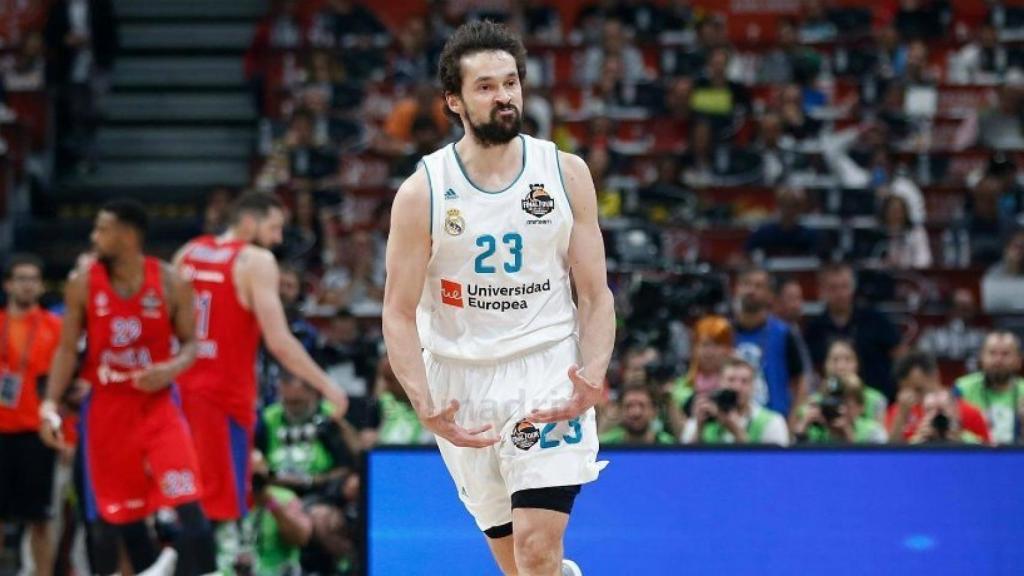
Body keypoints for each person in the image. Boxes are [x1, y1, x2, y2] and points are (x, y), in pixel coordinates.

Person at [382, 21, 615, 576]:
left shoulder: (564, 173)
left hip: (546, 370)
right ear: (454, 101)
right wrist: (422, 399)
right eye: (486, 86)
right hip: (461, 379)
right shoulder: (422, 192)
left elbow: (596, 293)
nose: (504, 95)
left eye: (510, 82)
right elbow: (396, 311)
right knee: (519, 567)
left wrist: (595, 368)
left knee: (536, 551)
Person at [38, 200, 217, 576]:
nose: (94, 237)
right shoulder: (83, 283)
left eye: (102, 229)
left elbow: (191, 345)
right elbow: (68, 349)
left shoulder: (170, 281)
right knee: (110, 523)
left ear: (128, 235)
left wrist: (171, 368)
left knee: (190, 509)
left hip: (158, 409)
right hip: (108, 412)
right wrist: (49, 404)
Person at [173, 192, 349, 568]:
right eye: (273, 228)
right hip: (221, 399)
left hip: (180, 394)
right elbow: (280, 341)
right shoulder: (255, 259)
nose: (277, 239)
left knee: (189, 500)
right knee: (217, 510)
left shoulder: (189, 252)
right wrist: (326, 385)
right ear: (249, 222)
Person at [0, 254, 63, 576]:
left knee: (40, 519)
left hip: (36, 433)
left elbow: (67, 381)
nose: (27, 285)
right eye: (21, 278)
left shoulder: (56, 326)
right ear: (8, 284)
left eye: (33, 279)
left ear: (40, 286)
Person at [805, 263, 903, 400]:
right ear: (822, 291)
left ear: (853, 287)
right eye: (833, 288)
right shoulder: (814, 329)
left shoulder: (876, 320)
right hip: (833, 400)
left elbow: (900, 356)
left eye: (844, 286)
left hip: (878, 399)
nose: (840, 293)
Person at [731, 266, 806, 419]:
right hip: (732, 419)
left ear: (770, 295)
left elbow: (800, 382)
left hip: (775, 422)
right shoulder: (724, 332)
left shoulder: (784, 333)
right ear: (737, 289)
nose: (751, 290)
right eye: (746, 284)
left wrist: (792, 425)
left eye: (758, 286)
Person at [886, 351, 991, 444]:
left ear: (935, 376)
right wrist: (915, 441)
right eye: (906, 391)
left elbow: (990, 456)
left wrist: (962, 440)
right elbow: (886, 458)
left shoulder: (968, 413)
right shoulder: (897, 413)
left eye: (918, 389)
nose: (912, 397)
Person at [682, 356, 790, 446]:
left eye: (744, 381)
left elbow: (774, 466)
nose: (737, 387)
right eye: (731, 380)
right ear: (719, 383)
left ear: (753, 387)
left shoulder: (772, 422)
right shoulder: (703, 415)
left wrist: (736, 430)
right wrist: (699, 428)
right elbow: (684, 463)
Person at [954, 331, 1024, 445]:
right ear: (981, 358)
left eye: (1005, 354)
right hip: (974, 457)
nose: (998, 360)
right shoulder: (962, 388)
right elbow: (953, 432)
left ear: (1019, 360)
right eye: (992, 353)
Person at [822, 339, 888, 424]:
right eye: (835, 360)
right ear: (825, 364)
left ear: (857, 363)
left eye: (848, 359)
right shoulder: (815, 401)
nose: (841, 367)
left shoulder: (876, 400)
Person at [599, 385, 676, 445]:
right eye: (629, 406)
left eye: (642, 405)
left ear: (654, 411)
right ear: (620, 411)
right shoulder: (605, 447)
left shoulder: (672, 448)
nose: (636, 412)